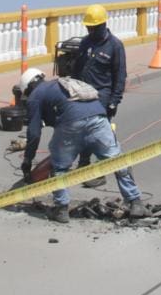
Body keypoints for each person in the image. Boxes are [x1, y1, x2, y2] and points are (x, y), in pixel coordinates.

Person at [16, 67, 148, 223]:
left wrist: (27, 160)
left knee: (59, 168)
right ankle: (136, 203)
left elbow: (34, 133)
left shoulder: (35, 96)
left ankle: (61, 209)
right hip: (99, 118)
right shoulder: (59, 84)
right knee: (118, 161)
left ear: (28, 87)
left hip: (71, 124)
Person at [72, 4, 127, 188]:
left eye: (94, 27)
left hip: (103, 95)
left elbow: (120, 76)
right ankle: (83, 165)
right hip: (83, 94)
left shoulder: (115, 46)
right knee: (83, 131)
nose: (91, 30)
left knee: (99, 135)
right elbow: (77, 70)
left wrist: (114, 101)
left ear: (103, 25)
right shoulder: (86, 43)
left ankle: (102, 171)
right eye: (89, 27)